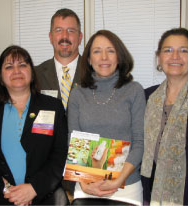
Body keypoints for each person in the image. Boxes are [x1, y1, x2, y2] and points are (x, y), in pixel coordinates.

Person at [0, 45, 69, 205]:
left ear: (31, 72)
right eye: (9, 66)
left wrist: (34, 188)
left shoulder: (53, 106)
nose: (16, 71)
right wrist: (5, 188)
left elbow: (61, 154)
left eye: (22, 65)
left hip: (43, 198)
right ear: (1, 76)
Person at [68, 30, 146, 205]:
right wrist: (84, 182)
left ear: (119, 56)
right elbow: (73, 141)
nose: (104, 57)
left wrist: (118, 180)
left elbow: (140, 142)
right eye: (97, 51)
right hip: (87, 186)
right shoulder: (77, 94)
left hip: (126, 187)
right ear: (88, 59)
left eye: (110, 51)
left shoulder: (134, 90)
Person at [141, 28, 188, 205]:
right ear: (159, 58)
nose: (175, 56)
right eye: (168, 50)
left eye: (183, 50)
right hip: (148, 197)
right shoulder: (146, 97)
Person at [35, 8, 83, 109]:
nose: (64, 36)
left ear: (79, 38)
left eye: (71, 30)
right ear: (50, 37)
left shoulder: (94, 73)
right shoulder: (35, 75)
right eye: (58, 30)